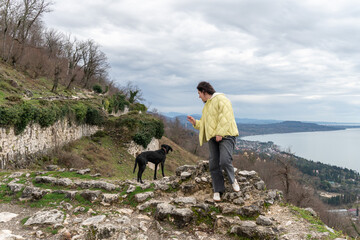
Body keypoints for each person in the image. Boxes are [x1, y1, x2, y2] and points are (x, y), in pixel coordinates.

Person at [187, 81, 240, 202]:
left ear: (204, 92)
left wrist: (220, 133)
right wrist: (195, 123)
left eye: (199, 93)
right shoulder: (206, 106)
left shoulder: (222, 99)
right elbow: (206, 124)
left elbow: (226, 117)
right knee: (213, 164)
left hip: (227, 135)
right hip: (213, 137)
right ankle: (217, 190)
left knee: (225, 160)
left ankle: (233, 180)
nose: (199, 96)